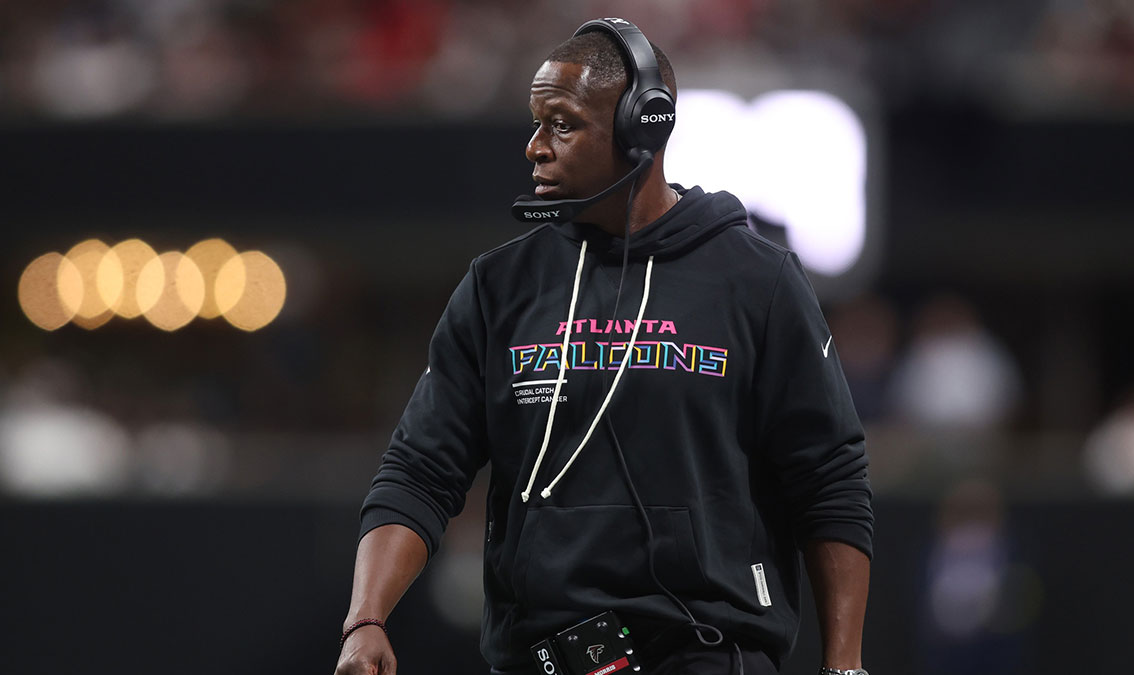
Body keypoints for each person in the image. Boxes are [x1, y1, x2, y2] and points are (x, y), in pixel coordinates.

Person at [335, 18, 873, 675]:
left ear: (643, 128)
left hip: (706, 655)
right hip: (546, 661)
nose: (535, 147)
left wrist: (845, 666)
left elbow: (830, 480)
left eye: (561, 123)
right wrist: (366, 618)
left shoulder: (754, 280)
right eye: (535, 123)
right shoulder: (499, 287)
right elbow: (418, 470)